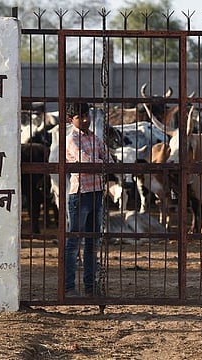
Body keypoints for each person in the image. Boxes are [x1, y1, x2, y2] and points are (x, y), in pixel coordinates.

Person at [64, 102, 113, 297]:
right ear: (71, 120)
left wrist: (99, 163)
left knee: (92, 242)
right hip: (80, 194)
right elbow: (85, 162)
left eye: (86, 115)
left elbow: (109, 160)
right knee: (74, 242)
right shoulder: (71, 140)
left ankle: (90, 287)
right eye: (79, 116)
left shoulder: (95, 138)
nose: (85, 119)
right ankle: (68, 287)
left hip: (96, 192)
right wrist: (100, 164)